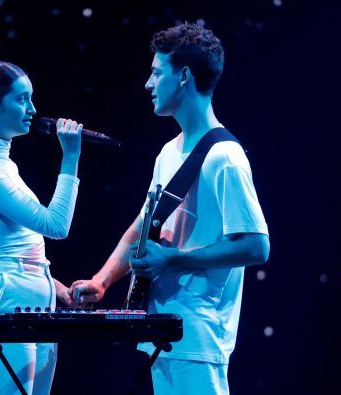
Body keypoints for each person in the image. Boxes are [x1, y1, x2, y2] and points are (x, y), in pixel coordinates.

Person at [69, 23, 270, 395]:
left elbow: (257, 246)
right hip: (164, 327)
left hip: (199, 334)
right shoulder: (169, 152)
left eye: (157, 72)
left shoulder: (225, 157)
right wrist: (103, 279)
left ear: (184, 77)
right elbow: (142, 226)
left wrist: (173, 260)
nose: (148, 83)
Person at [0, 60, 83, 395]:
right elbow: (55, 225)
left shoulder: (6, 166)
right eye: (21, 99)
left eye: (32, 98)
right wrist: (70, 157)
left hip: (36, 302)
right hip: (4, 304)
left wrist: (53, 285)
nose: (33, 109)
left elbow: (18, 246)